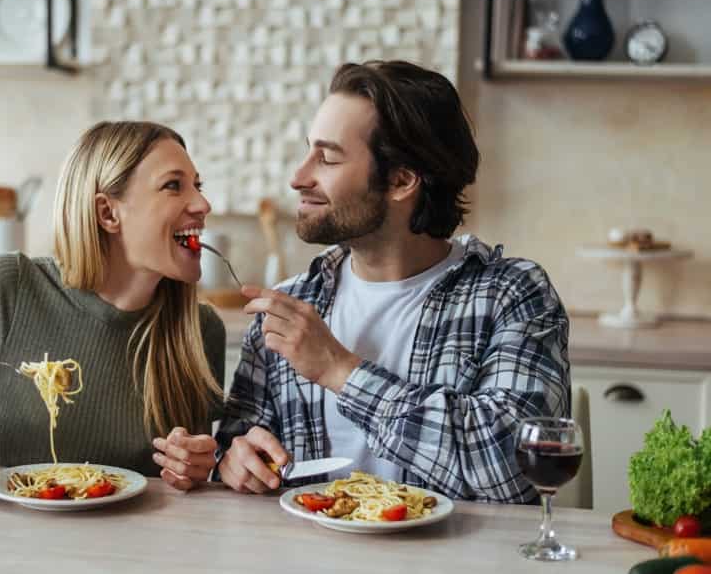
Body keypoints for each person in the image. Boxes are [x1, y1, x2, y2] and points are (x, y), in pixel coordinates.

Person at [215, 60, 570, 503]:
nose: (299, 177)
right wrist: (233, 460)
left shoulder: (511, 295)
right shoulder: (292, 303)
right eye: (308, 151)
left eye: (327, 157)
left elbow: (513, 471)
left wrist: (340, 370)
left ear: (401, 180)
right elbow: (237, 445)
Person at [0, 121, 225, 491]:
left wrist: (195, 467)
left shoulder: (200, 330)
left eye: (197, 186)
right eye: (174, 185)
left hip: (135, 546)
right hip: (3, 541)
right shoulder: (8, 286)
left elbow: (191, 486)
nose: (203, 204)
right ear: (108, 213)